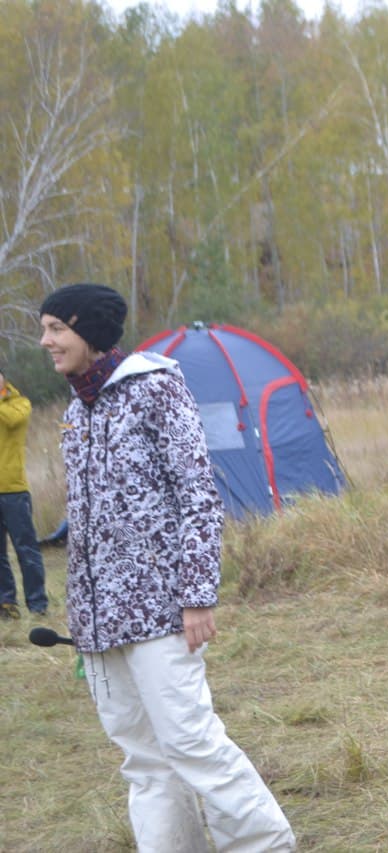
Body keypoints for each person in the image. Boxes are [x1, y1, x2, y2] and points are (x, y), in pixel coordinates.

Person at [39, 283, 296, 852]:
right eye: (45, 330)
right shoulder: (76, 412)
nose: (46, 342)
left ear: (89, 331)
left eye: (57, 329)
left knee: (191, 743)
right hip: (99, 623)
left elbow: (198, 498)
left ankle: (263, 845)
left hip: (161, 612)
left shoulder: (154, 389)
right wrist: (82, 617)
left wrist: (197, 596)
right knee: (143, 759)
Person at [0, 369, 48, 619]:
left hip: (14, 490)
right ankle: (6, 603)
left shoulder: (20, 404)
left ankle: (37, 603)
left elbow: (12, 420)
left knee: (26, 549)